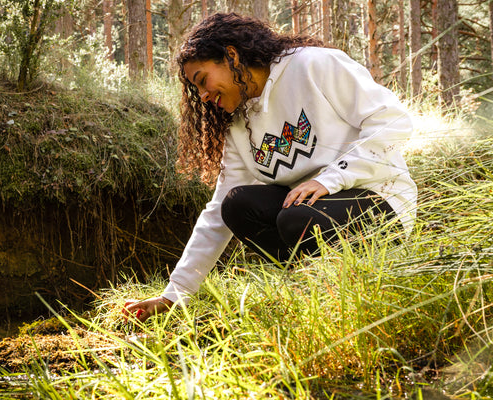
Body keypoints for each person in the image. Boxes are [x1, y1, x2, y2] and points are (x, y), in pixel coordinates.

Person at [124, 13, 417, 322]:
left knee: (297, 217)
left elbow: (393, 122)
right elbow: (218, 210)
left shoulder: (312, 65)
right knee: (238, 205)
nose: (204, 96)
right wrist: (175, 294)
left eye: (203, 80)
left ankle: (346, 291)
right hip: (308, 211)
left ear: (232, 56)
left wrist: (332, 179)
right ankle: (312, 291)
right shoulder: (238, 123)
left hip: (379, 199)